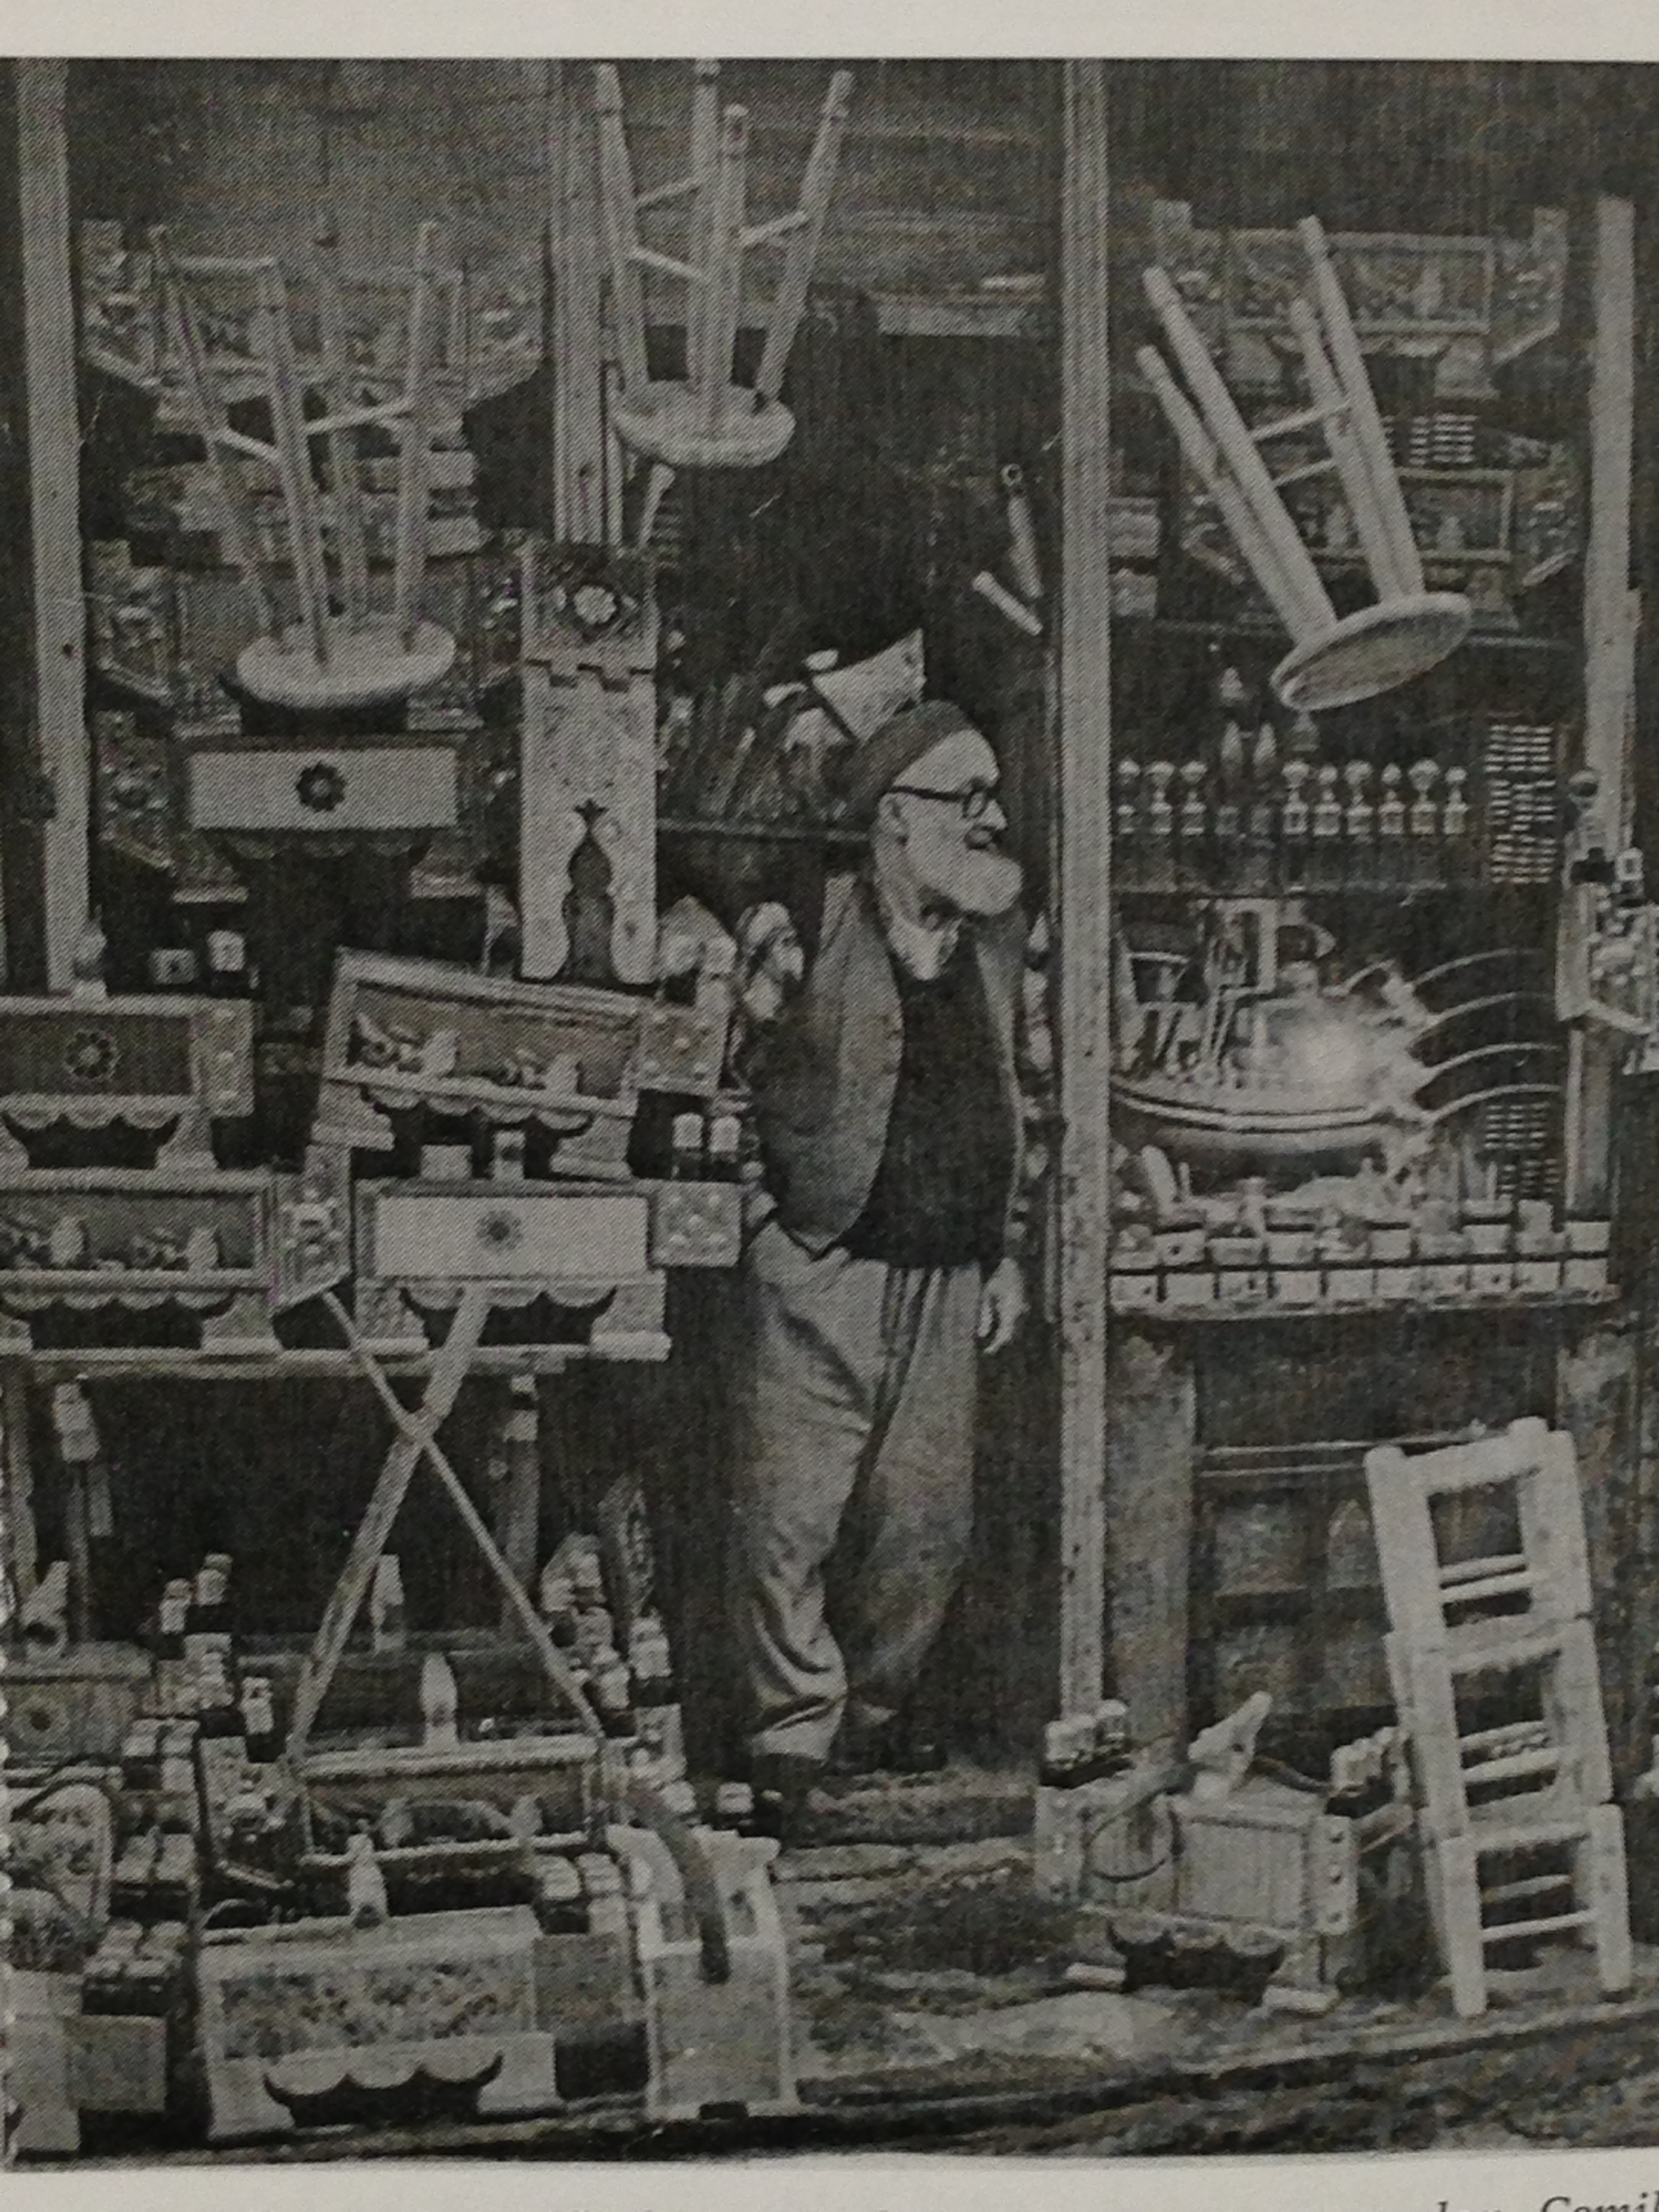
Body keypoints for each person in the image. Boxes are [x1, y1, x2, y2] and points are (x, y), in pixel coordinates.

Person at [730, 697, 1033, 1839]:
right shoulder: (802, 924)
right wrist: (764, 1228)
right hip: (823, 1266)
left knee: (924, 1524)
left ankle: (873, 1713)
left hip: (951, 1274)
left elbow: (1035, 1098)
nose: (991, 819)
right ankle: (791, 1733)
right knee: (790, 1516)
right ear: (897, 818)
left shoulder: (1002, 945)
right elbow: (716, 1078)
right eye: (968, 799)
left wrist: (1007, 1251)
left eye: (992, 797)